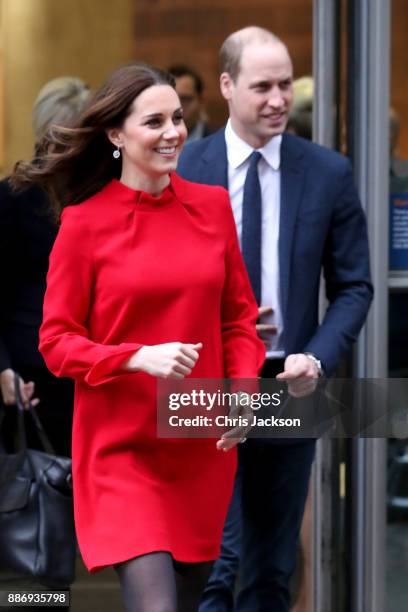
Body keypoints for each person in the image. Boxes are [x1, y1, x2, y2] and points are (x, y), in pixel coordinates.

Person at [11, 63, 265, 612]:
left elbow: (238, 321)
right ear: (115, 135)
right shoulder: (84, 223)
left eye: (177, 117)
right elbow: (56, 342)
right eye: (154, 121)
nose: (173, 131)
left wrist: (243, 396)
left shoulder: (213, 208)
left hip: (199, 440)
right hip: (120, 448)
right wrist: (136, 358)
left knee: (191, 597)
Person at [177, 26, 373, 612]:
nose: (279, 99)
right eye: (262, 86)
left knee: (272, 568)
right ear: (228, 86)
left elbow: (354, 286)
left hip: (292, 384)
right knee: (217, 561)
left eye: (286, 84)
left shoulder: (327, 172)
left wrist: (316, 354)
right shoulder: (186, 167)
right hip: (210, 385)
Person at [0, 76, 90, 458]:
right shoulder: (13, 196)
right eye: (56, 137)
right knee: (41, 498)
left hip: (92, 365)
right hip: (31, 370)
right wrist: (3, 369)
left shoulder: (98, 192)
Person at [168, 64, 212, 142]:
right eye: (170, 100)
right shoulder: (149, 143)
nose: (178, 108)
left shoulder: (219, 143)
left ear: (201, 101)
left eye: (185, 100)